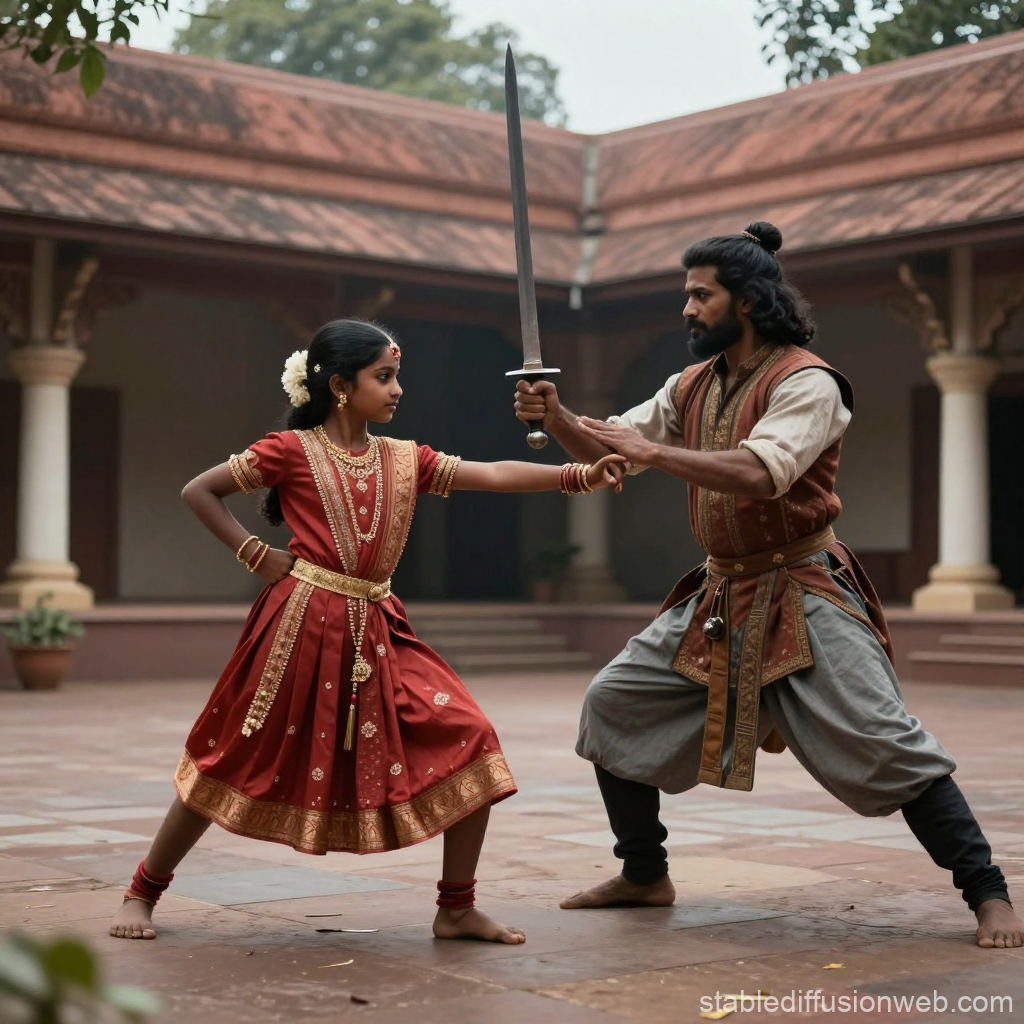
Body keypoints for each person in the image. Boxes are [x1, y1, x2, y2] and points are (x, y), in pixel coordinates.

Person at [514, 221, 1023, 949]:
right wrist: (559, 417)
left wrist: (652, 449)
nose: (687, 310)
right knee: (613, 705)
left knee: (888, 740)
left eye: (700, 295)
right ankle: (644, 873)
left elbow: (761, 472)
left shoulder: (809, 383)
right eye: (686, 296)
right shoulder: (690, 383)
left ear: (746, 300)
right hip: (720, 594)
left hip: (805, 588)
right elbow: (610, 453)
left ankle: (988, 893)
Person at [109, 318, 624, 945]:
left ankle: (455, 908)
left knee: (471, 735)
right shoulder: (288, 451)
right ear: (340, 386)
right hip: (298, 628)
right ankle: (142, 891)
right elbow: (200, 490)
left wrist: (579, 477)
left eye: (397, 375)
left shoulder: (404, 459)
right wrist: (253, 552)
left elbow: (490, 474)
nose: (398, 388)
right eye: (384, 376)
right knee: (234, 757)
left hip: (379, 628)